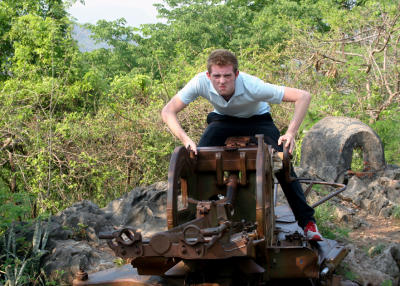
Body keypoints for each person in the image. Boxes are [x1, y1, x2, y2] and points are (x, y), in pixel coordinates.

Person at [161, 49, 322, 241]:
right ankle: (202, 219)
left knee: (281, 163)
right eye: (217, 76)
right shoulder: (199, 82)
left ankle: (308, 223)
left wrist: (291, 133)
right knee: (198, 161)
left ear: (236, 74)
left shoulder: (253, 85)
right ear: (208, 76)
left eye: (227, 76)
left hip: (258, 120)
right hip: (222, 121)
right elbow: (168, 111)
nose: (222, 81)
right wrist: (186, 140)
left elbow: (303, 96)